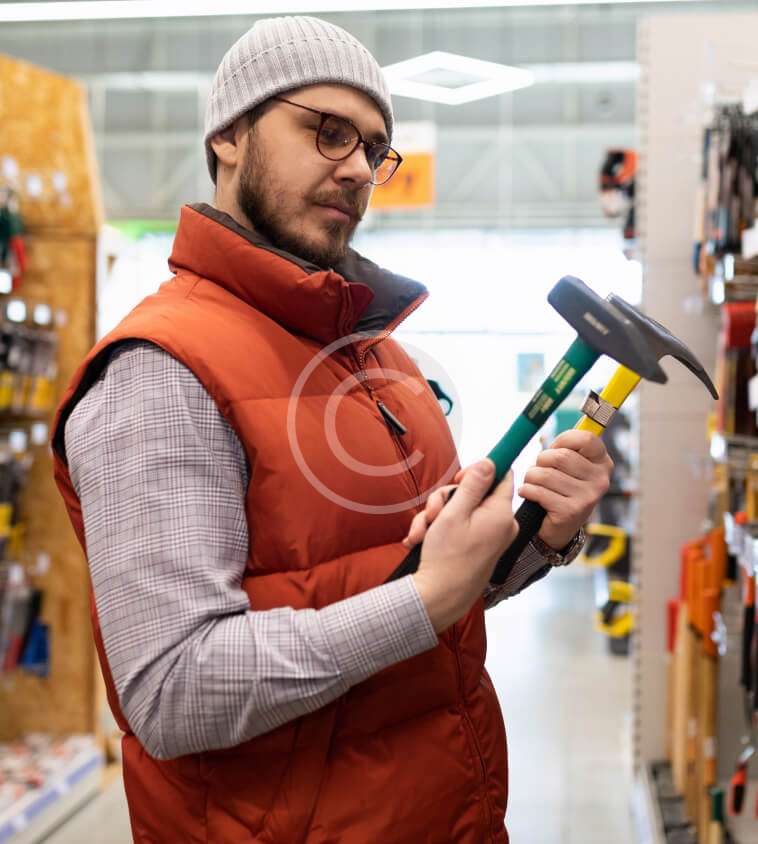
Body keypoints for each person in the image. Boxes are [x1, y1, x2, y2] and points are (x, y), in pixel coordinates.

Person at [51, 15, 613, 843]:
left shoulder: (375, 351)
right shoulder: (161, 372)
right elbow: (172, 692)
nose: (356, 167)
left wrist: (540, 535)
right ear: (230, 135)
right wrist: (423, 600)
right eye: (327, 131)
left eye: (373, 148)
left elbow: (435, 581)